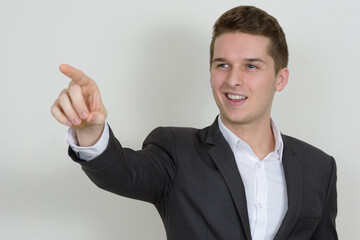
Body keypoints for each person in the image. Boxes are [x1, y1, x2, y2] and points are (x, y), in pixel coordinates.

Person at [51, 5, 337, 240]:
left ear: (280, 79)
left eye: (251, 66)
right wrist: (91, 132)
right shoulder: (177, 150)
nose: (233, 79)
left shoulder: (318, 168)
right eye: (222, 64)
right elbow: (121, 173)